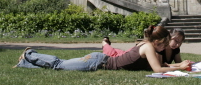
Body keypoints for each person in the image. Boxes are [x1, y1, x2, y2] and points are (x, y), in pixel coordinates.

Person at [13, 25, 191, 73]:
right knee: (59, 64)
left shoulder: (149, 46)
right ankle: (30, 53)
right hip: (97, 62)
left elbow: (164, 65)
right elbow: (158, 69)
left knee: (59, 66)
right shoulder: (147, 47)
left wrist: (179, 65)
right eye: (164, 43)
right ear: (157, 41)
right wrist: (180, 67)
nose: (166, 47)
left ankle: (24, 63)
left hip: (99, 62)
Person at [102, 28, 186, 67]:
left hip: (131, 56)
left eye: (180, 42)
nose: (177, 44)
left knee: (117, 52)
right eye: (176, 40)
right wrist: (180, 66)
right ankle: (105, 42)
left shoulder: (166, 47)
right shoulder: (158, 46)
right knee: (111, 52)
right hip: (129, 55)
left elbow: (179, 62)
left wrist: (183, 64)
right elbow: (159, 66)